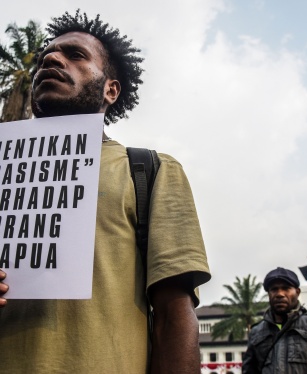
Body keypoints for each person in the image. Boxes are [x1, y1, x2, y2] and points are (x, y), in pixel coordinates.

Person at [0, 10, 210, 373]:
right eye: (45, 58)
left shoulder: (148, 171)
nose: (51, 59)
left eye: (75, 55)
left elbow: (174, 314)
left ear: (111, 89)